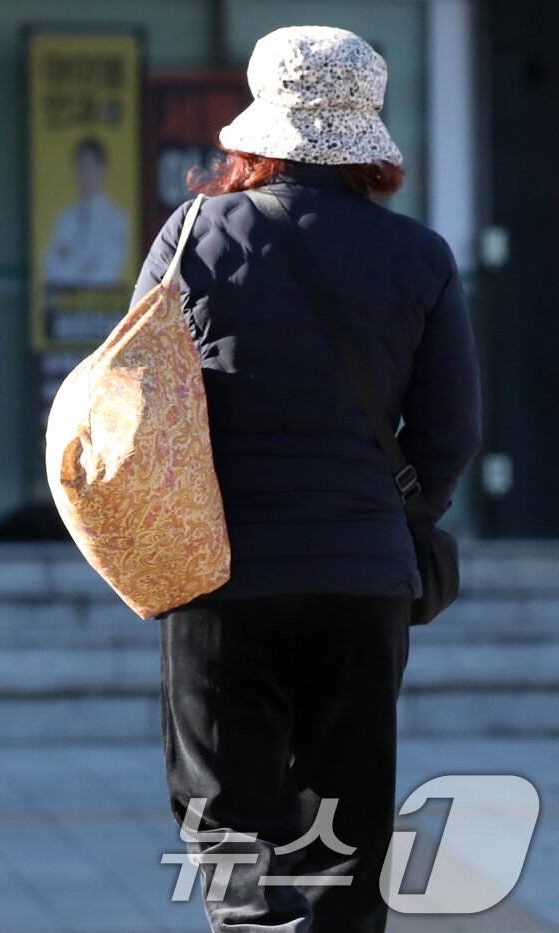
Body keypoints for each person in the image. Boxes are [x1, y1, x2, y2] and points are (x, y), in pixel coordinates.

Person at [132, 28, 482, 932]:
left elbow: (130, 404)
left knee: (232, 834)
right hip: (361, 580)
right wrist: (388, 514)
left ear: (256, 130)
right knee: (348, 841)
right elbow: (449, 433)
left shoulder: (192, 237)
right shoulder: (422, 257)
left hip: (220, 578)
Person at [44, 138, 130, 287]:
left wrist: (71, 262)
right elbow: (51, 268)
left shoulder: (116, 220)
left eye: (88, 166)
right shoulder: (66, 218)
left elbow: (108, 272)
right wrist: (85, 266)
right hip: (66, 307)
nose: (84, 173)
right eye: (80, 166)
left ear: (101, 169)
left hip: (101, 308)